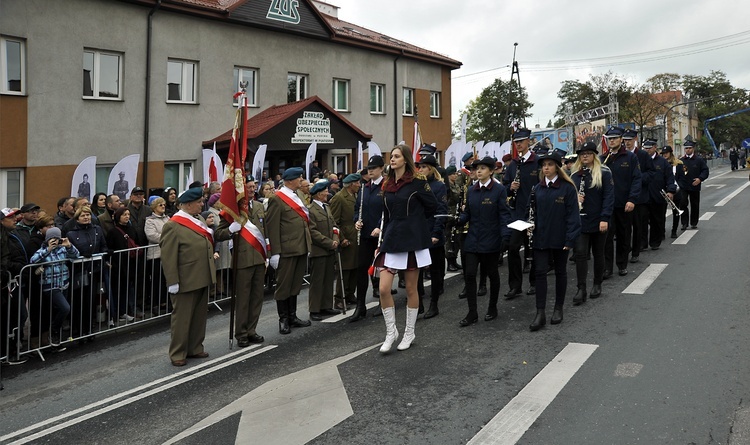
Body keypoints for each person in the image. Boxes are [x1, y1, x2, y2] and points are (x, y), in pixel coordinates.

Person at [375, 144, 437, 353]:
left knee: (411, 289)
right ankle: (391, 332)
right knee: (383, 288)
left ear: (405, 159)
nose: (392, 160)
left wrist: (417, 225)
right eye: (391, 156)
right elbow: (386, 215)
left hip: (412, 240)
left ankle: (409, 332)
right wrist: (380, 241)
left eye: (396, 156)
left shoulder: (418, 182)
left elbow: (432, 207)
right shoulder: (387, 184)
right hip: (392, 239)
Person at [160, 187, 216, 367]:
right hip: (185, 278)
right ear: (189, 204)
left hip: (202, 274)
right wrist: (173, 281)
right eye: (199, 202)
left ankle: (195, 347)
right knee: (182, 318)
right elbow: (168, 257)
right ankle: (178, 352)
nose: (202, 205)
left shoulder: (198, 219)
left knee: (199, 316)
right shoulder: (173, 225)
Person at [456, 156, 511, 326]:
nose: (478, 171)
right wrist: (458, 219)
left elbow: (504, 214)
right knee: (470, 274)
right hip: (473, 239)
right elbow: (469, 213)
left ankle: (492, 307)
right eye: (476, 168)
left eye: (482, 168)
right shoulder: (471, 190)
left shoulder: (499, 190)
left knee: (492, 275)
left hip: (491, 239)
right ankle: (472, 312)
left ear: (491, 171)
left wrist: (505, 236)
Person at [528, 153, 581, 331]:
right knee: (540, 273)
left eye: (550, 165)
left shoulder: (567, 188)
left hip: (560, 237)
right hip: (541, 237)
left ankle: (558, 308)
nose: (546, 168)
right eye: (544, 165)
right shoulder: (537, 188)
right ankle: (540, 312)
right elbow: (532, 212)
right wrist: (529, 226)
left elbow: (573, 217)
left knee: (560, 272)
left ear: (557, 167)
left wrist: (570, 239)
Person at [266, 167, 313, 335]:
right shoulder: (277, 199)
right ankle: (283, 318)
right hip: (286, 249)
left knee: (295, 284)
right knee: (284, 285)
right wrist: (275, 253)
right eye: (299, 178)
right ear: (290, 180)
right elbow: (272, 227)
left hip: (300, 247)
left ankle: (292, 316)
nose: (301, 181)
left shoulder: (297, 195)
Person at [570, 142, 614, 303]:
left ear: (594, 155)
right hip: (581, 221)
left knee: (598, 253)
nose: (585, 156)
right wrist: (575, 198)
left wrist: (605, 218)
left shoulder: (604, 172)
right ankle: (581, 288)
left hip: (598, 220)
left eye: (588, 153)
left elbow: (608, 197)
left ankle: (597, 283)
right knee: (581, 254)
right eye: (582, 154)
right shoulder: (575, 175)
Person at [503, 128, 540, 298]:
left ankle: (534, 282)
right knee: (513, 248)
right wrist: (510, 188)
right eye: (516, 142)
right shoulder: (512, 165)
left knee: (533, 249)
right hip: (517, 214)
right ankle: (515, 285)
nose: (518, 145)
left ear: (529, 142)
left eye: (521, 141)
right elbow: (504, 189)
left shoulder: (537, 162)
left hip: (534, 213)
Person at [351, 155, 387, 322]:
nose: (370, 171)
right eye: (369, 169)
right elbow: (357, 208)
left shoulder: (387, 186)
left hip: (381, 235)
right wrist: (356, 221)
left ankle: (383, 302)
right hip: (365, 234)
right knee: (361, 268)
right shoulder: (364, 188)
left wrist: (380, 226)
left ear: (381, 168)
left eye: (373, 168)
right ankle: (360, 306)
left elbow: (388, 210)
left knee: (380, 270)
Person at [601, 126, 641, 278]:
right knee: (607, 237)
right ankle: (607, 267)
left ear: (621, 140)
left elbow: (636, 179)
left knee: (624, 235)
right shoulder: (603, 158)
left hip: (624, 204)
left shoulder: (630, 158)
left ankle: (622, 264)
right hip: (608, 205)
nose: (612, 141)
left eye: (615, 138)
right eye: (609, 139)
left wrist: (632, 199)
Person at [29, 227, 78, 347]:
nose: (55, 241)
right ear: (47, 240)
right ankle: (54, 331)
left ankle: (55, 339)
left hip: (64, 283)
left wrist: (69, 246)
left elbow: (76, 255)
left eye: (57, 238)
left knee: (58, 311)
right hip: (50, 286)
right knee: (65, 308)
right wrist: (48, 249)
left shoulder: (63, 249)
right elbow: (32, 261)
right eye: (52, 239)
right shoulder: (43, 250)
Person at [66, 206, 109, 336]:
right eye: (83, 216)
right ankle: (78, 329)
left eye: (88, 215)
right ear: (77, 218)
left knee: (91, 300)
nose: (86, 218)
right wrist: (81, 255)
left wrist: (105, 253)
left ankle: (89, 327)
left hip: (94, 270)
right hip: (78, 272)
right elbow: (69, 252)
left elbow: (103, 246)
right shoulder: (71, 234)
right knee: (79, 301)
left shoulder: (97, 230)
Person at [415, 155, 448, 319]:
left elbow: (441, 210)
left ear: (431, 169)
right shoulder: (417, 185)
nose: (420, 170)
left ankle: (433, 304)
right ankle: (419, 302)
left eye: (423, 167)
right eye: (419, 167)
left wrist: (436, 233)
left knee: (435, 271)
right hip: (419, 233)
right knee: (417, 271)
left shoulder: (439, 186)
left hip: (433, 233)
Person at [306, 180, 341, 320]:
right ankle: (314, 309)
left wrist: (336, 240)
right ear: (318, 194)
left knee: (328, 279)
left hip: (330, 249)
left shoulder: (327, 207)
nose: (327, 193)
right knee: (317, 281)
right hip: (319, 250)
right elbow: (312, 232)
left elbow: (334, 225)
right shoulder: (310, 210)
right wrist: (329, 243)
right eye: (325, 191)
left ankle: (326, 306)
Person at [622, 129, 654, 263]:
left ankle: (636, 251)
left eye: (629, 140)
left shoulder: (642, 155)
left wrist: (638, 179)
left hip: (639, 197)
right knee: (624, 227)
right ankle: (625, 250)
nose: (627, 142)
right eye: (625, 140)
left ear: (635, 139)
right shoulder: (621, 155)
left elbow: (651, 172)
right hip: (623, 196)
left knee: (637, 225)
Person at [330, 173, 361, 309]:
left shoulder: (356, 196)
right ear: (351, 184)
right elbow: (334, 221)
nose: (359, 185)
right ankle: (339, 297)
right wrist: (341, 238)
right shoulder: (339, 198)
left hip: (356, 235)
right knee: (345, 268)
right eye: (357, 183)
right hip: (346, 235)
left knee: (355, 267)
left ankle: (350, 293)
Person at [106, 207, 140, 321]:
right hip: (118, 264)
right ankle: (116, 312)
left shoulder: (131, 229)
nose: (127, 216)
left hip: (130, 263)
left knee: (127, 288)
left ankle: (124, 311)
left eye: (128, 214)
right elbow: (109, 246)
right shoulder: (113, 231)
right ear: (118, 217)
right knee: (117, 289)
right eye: (124, 214)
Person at [643, 138, 676, 250]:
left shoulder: (662, 162)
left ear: (655, 147)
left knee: (657, 220)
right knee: (641, 221)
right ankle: (642, 243)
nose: (647, 150)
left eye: (649, 148)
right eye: (645, 148)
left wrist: (671, 190)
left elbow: (669, 178)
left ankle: (655, 242)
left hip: (658, 196)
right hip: (643, 196)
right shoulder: (640, 160)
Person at [144, 197, 171, 314]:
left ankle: (166, 301)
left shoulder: (168, 218)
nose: (163, 206)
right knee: (156, 280)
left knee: (167, 279)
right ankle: (156, 303)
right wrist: (167, 238)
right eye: (160, 205)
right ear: (154, 207)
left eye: (164, 204)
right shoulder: (150, 220)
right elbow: (152, 235)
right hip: (156, 254)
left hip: (168, 253)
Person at [678, 140, 709, 230]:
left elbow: (705, 170)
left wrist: (700, 179)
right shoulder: (681, 161)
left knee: (694, 204)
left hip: (694, 185)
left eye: (690, 148)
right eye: (686, 148)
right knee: (683, 203)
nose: (688, 150)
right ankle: (684, 223)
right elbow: (677, 173)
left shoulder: (699, 160)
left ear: (693, 149)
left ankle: (694, 222)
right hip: (683, 186)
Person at [662, 146, 684, 238]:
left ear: (671, 153)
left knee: (675, 211)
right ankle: (661, 231)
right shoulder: (661, 164)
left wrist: (676, 189)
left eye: (666, 153)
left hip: (676, 191)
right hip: (663, 192)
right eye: (663, 153)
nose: (665, 155)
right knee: (661, 213)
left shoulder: (679, 164)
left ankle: (674, 230)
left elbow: (683, 178)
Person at [443, 165, 462, 272]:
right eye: (453, 174)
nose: (455, 176)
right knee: (449, 240)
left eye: (455, 174)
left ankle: (454, 260)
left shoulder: (456, 185)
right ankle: (450, 262)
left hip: (456, 213)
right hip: (449, 215)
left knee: (456, 239)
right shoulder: (447, 186)